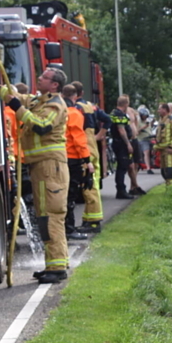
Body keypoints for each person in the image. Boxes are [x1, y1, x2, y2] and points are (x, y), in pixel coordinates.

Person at [0, 68, 69, 283]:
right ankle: (55, 264)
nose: (39, 78)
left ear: (54, 85)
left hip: (50, 167)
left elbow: (42, 126)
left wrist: (17, 108)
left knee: (51, 216)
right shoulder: (40, 101)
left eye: (44, 77)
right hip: (41, 167)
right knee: (45, 215)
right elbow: (17, 96)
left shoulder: (55, 105)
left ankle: (57, 268)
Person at [70, 81, 103, 232]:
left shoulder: (75, 108)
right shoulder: (91, 106)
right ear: (81, 93)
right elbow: (107, 120)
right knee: (92, 183)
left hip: (85, 148)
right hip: (92, 145)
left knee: (88, 185)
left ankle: (93, 221)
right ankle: (90, 219)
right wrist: (99, 135)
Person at [62, 85, 91, 241]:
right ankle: (70, 229)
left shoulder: (58, 111)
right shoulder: (75, 114)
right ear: (75, 97)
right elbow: (78, 139)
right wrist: (87, 160)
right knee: (70, 195)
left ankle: (62, 229)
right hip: (72, 158)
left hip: (58, 157)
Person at [154, 103, 172, 184]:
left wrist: (171, 146)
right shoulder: (161, 120)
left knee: (170, 171)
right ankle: (169, 187)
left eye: (160, 109)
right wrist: (156, 147)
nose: (158, 111)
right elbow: (159, 135)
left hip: (170, 150)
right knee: (164, 172)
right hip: (162, 150)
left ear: (165, 110)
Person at [137, 106, 155, 174]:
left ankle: (155, 162)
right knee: (146, 151)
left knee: (156, 147)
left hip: (150, 138)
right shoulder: (138, 122)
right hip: (142, 139)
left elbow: (150, 130)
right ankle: (148, 168)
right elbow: (136, 131)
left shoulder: (148, 121)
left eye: (146, 116)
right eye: (144, 116)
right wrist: (143, 127)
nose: (145, 117)